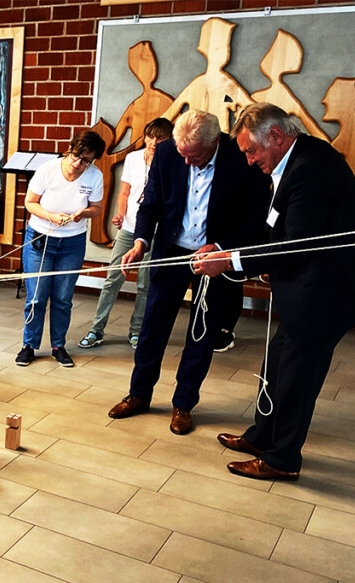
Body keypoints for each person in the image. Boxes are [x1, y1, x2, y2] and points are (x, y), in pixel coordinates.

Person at [193, 102, 355, 480]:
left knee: (297, 378)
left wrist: (229, 262)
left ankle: (282, 460)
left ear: (276, 136)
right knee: (277, 364)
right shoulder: (297, 159)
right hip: (308, 287)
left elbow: (296, 244)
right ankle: (262, 437)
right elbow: (281, 229)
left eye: (251, 151)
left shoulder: (310, 169)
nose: (249, 161)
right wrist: (225, 251)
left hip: (328, 295)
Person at [111, 109, 271, 435]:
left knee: (202, 331)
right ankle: (139, 394)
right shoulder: (169, 151)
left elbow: (256, 216)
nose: (186, 162)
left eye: (194, 156)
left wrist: (221, 246)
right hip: (171, 252)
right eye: (182, 155)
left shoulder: (240, 157)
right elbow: (152, 202)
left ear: (214, 142)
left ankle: (183, 404)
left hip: (214, 258)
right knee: (152, 326)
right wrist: (140, 241)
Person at [80, 118, 173, 351]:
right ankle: (96, 329)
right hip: (130, 227)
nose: (153, 142)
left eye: (160, 138)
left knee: (145, 284)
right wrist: (121, 214)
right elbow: (125, 192)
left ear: (169, 140)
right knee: (113, 278)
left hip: (155, 230)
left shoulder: (173, 161)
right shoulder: (133, 158)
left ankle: (137, 331)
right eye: (150, 136)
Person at [15, 130, 106, 368]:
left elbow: (96, 208)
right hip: (40, 238)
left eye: (86, 160)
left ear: (93, 160)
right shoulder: (48, 169)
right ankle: (29, 345)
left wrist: (83, 213)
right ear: (70, 149)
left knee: (63, 298)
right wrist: (51, 216)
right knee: (36, 297)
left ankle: (58, 346)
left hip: (72, 243)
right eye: (76, 156)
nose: (78, 163)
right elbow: (30, 202)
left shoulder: (95, 176)